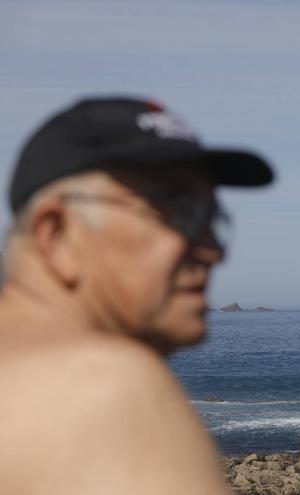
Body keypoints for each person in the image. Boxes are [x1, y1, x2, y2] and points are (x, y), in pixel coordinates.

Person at [0, 97, 274, 494]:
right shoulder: (101, 386)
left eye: (213, 219)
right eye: (179, 212)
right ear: (56, 234)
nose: (214, 250)